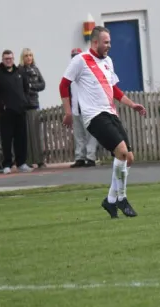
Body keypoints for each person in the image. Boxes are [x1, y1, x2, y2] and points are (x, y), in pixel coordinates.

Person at [59, 26, 147, 218]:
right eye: (106, 42)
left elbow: (114, 89)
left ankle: (110, 200)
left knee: (128, 158)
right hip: (93, 116)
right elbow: (63, 84)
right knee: (122, 152)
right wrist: (68, 112)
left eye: (110, 42)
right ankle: (121, 198)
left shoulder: (108, 61)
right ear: (95, 42)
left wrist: (132, 105)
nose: (109, 46)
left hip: (110, 113)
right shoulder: (80, 60)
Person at [0, 49, 33, 174]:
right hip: (5, 113)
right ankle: (7, 164)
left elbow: (26, 88)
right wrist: (2, 105)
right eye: (6, 59)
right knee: (7, 139)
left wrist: (24, 101)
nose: (9, 61)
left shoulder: (20, 72)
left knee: (21, 138)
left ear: (13, 59)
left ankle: (21, 163)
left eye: (10, 58)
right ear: (3, 60)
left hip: (20, 111)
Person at [68, 48, 98, 168]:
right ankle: (79, 157)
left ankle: (90, 157)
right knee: (78, 134)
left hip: (88, 108)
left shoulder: (88, 71)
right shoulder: (70, 74)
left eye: (77, 56)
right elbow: (68, 92)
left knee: (90, 134)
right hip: (76, 108)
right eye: (73, 56)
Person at [19, 48, 46, 168]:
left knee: (36, 134)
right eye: (26, 56)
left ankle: (40, 160)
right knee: (27, 135)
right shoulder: (20, 70)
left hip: (34, 104)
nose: (29, 57)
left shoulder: (35, 69)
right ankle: (28, 161)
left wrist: (31, 86)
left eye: (30, 55)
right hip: (24, 106)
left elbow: (42, 84)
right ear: (23, 58)